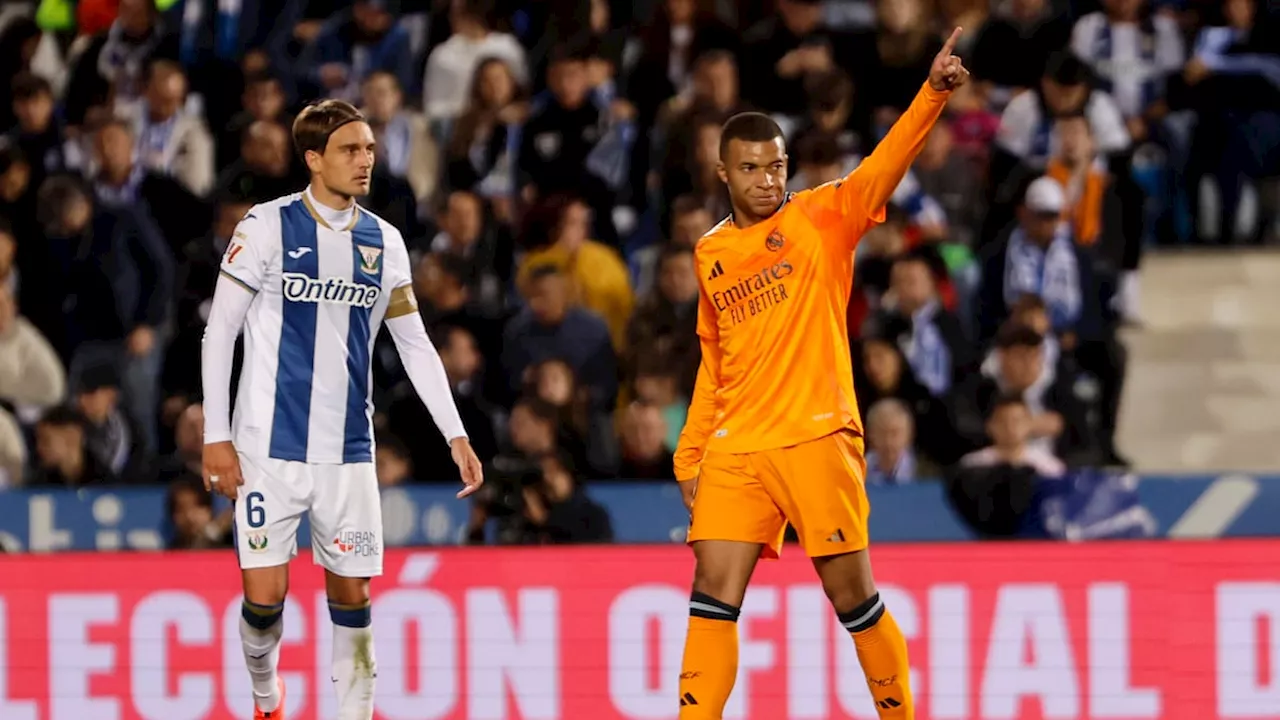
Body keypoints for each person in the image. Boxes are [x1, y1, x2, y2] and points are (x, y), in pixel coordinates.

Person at [673, 28, 970, 720]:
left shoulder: (820, 218)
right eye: (752, 169)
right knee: (712, 589)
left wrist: (931, 94)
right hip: (737, 446)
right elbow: (714, 362)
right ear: (724, 173)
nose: (768, 179)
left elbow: (884, 164)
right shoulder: (710, 252)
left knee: (853, 598)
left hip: (816, 437)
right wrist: (692, 453)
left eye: (775, 165)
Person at [200, 99, 485, 720]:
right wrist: (215, 437)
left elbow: (414, 342)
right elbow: (219, 331)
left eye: (370, 150)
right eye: (351, 150)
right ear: (313, 159)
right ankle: (266, 697)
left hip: (349, 453)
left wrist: (455, 434)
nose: (365, 162)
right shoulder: (266, 226)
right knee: (263, 604)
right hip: (266, 448)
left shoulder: (384, 240)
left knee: (353, 598)